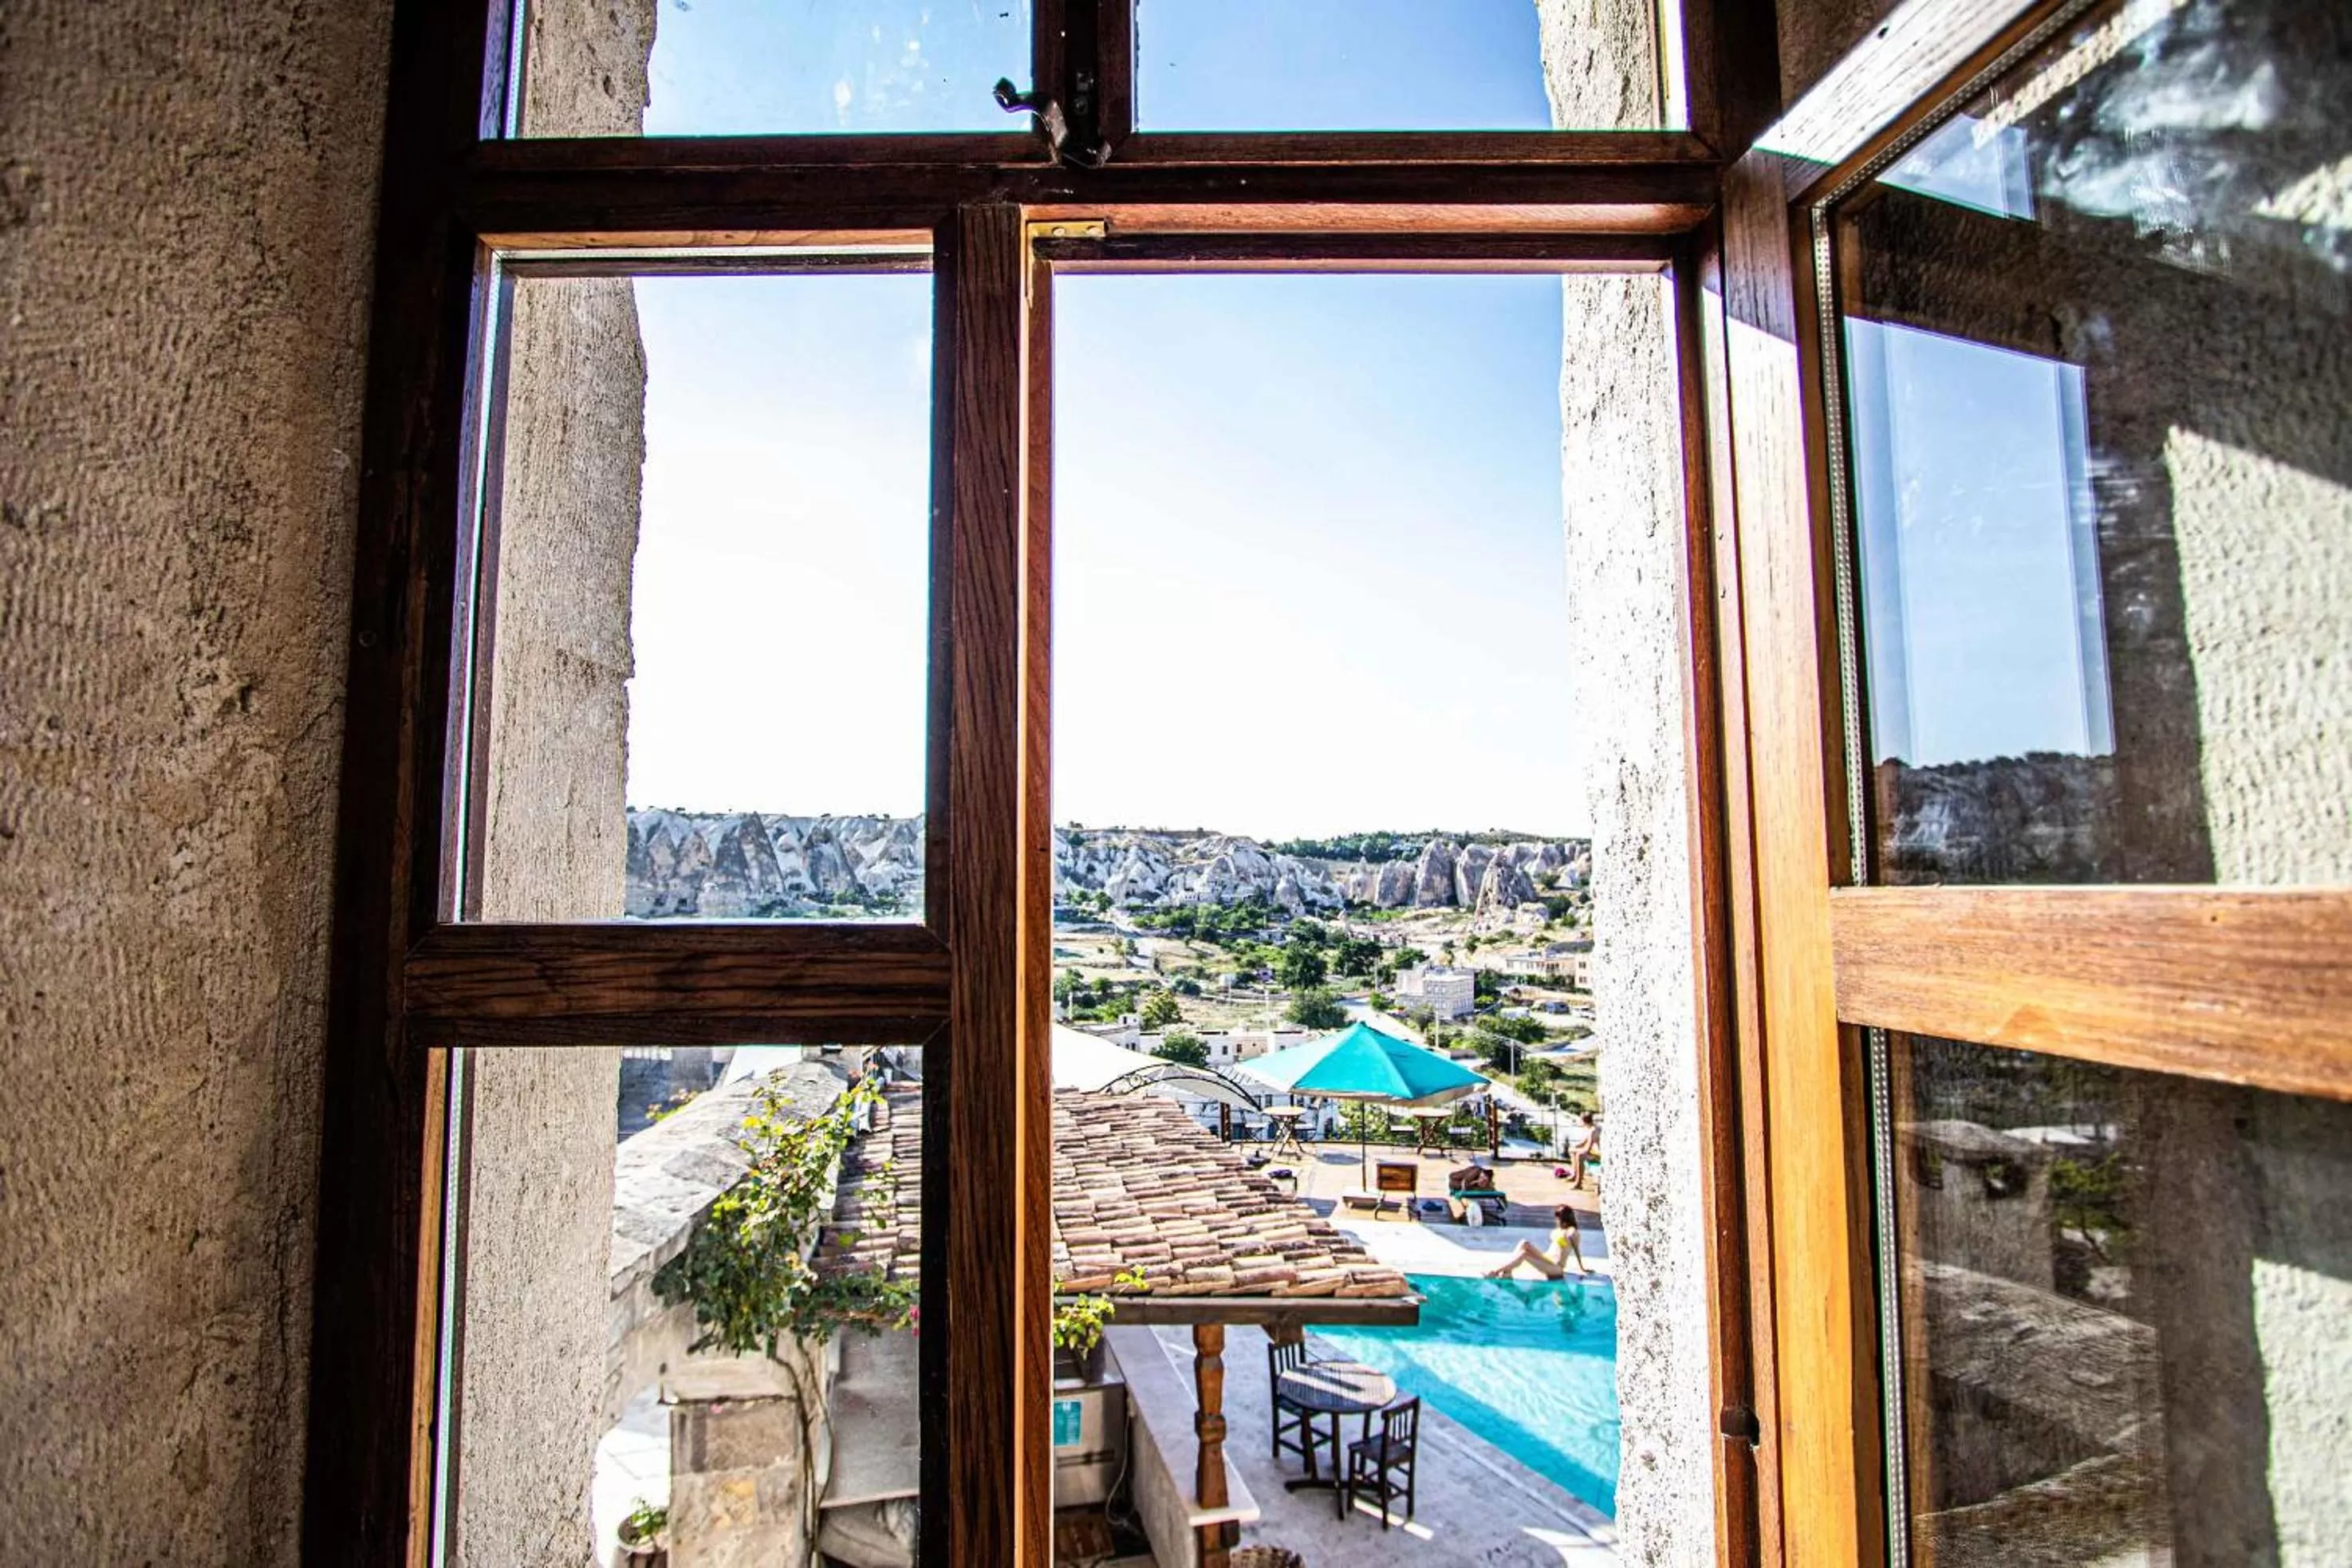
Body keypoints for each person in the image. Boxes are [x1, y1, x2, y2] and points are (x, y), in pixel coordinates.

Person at [1485, 1204, 1588, 1278]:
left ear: (1563, 1219)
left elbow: (1576, 1248)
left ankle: (1495, 1272)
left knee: (1525, 1254)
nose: (1556, 1221)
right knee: (1524, 1243)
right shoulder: (1559, 1230)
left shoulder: (1571, 1232)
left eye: (1558, 1218)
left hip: (1556, 1267)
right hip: (1547, 1258)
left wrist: (1582, 1268)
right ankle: (1508, 1270)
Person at [1566, 1113, 1601, 1191]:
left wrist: (1577, 1150)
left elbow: (1587, 1149)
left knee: (1580, 1155)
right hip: (1595, 1152)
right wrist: (1574, 1148)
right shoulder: (1591, 1128)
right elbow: (1584, 1143)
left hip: (1599, 1155)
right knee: (1572, 1151)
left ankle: (1578, 1183)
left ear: (1583, 1121)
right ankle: (1574, 1174)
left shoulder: (1593, 1131)